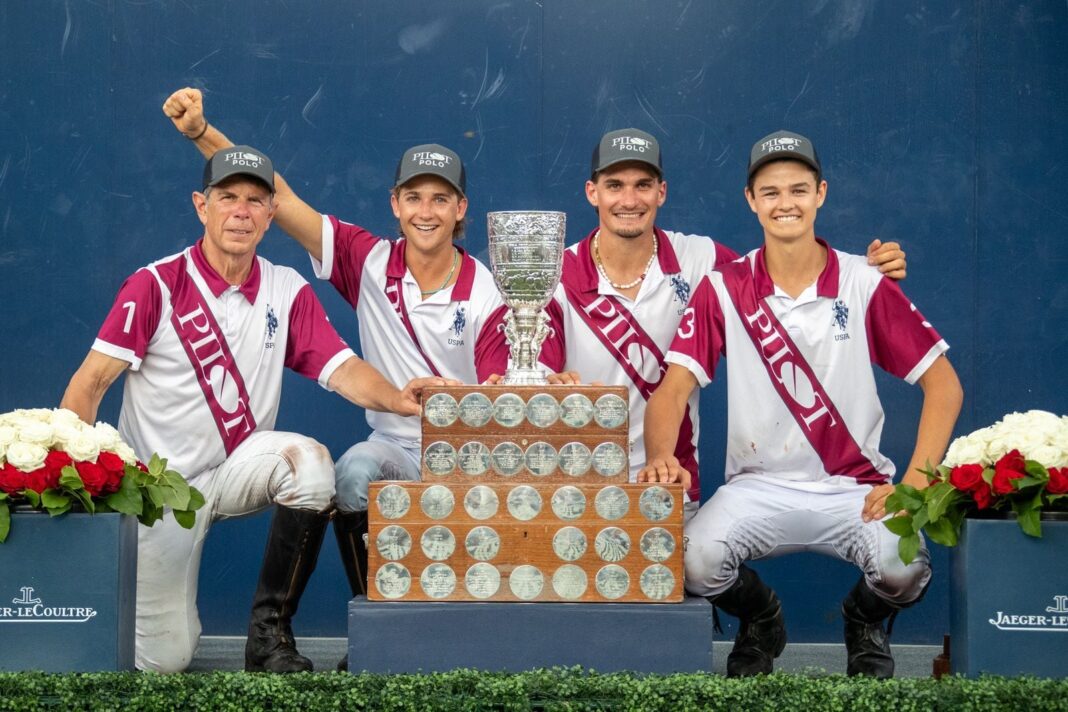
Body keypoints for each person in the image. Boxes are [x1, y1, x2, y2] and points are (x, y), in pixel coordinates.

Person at [60, 145, 448, 673]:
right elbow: (88, 385)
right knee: (161, 660)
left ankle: (268, 638)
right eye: (228, 198)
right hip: (159, 488)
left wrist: (397, 398)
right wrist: (77, 486)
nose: (241, 212)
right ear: (201, 206)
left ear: (270, 214)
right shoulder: (155, 284)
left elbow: (345, 369)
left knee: (310, 465)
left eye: (255, 201)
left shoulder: (285, 288)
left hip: (236, 468)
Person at [161, 89, 508, 613]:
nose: (426, 211)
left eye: (441, 199)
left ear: (461, 209)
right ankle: (377, 618)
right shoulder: (365, 259)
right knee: (350, 472)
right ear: (395, 204)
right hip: (396, 448)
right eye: (414, 197)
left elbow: (498, 392)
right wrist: (200, 134)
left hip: (470, 454)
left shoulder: (489, 290)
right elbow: (277, 197)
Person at [640, 130, 963, 677]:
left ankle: (862, 622)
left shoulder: (863, 281)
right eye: (770, 192)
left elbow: (945, 386)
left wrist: (914, 485)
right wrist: (658, 455)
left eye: (798, 189)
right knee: (692, 562)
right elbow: (671, 390)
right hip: (758, 485)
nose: (784, 203)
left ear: (821, 194)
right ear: (751, 200)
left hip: (855, 486)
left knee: (904, 569)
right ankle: (761, 620)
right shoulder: (723, 287)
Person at [538, 128, 908, 518]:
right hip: (573, 485)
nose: (629, 200)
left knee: (698, 556)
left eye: (643, 185)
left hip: (670, 483)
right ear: (592, 192)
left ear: (661, 192)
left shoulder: (703, 259)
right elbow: (525, 377)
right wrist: (547, 386)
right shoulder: (552, 275)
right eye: (614, 185)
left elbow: (784, 283)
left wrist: (863, 275)